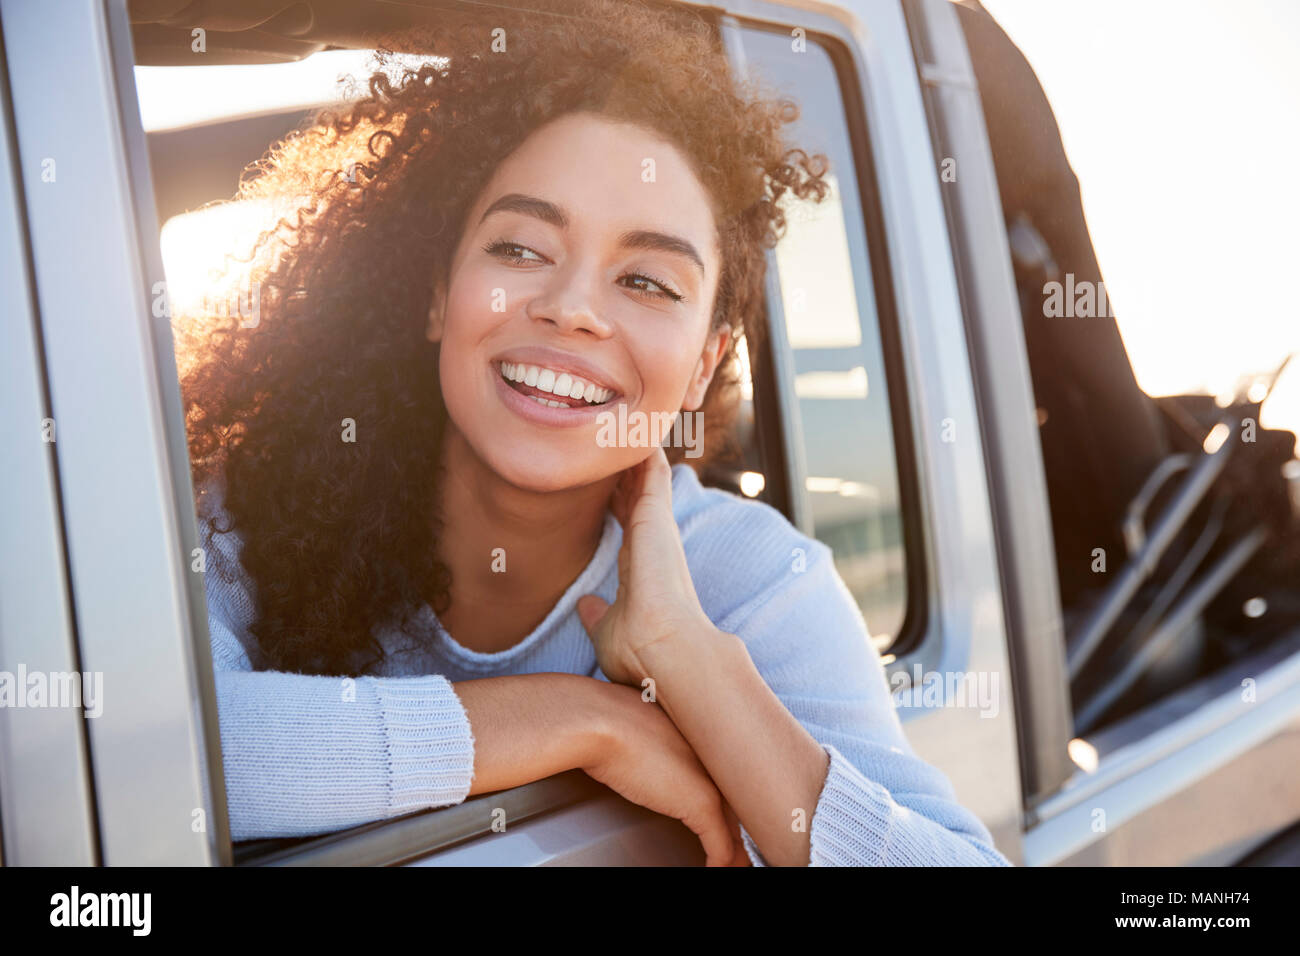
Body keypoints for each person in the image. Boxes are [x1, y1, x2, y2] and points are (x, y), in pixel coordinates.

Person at [182, 0, 1011, 866]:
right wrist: (576, 721)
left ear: (702, 365)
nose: (571, 307)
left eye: (648, 282)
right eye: (521, 249)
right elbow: (130, 751)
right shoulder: (249, 516)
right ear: (438, 293)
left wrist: (689, 662)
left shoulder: (747, 577)